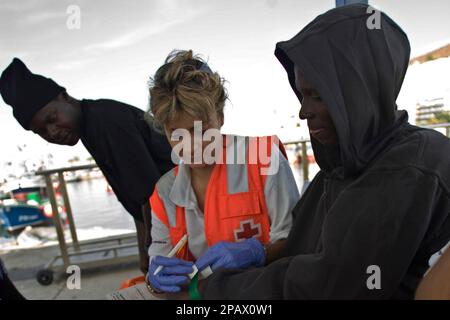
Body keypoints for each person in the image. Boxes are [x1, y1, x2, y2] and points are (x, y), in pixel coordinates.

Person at [184, 4, 450, 299]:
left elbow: (329, 285)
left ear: (360, 93)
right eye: (301, 94)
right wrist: (260, 252)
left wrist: (209, 291)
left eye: (318, 96)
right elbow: (303, 250)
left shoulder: (408, 169)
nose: (303, 111)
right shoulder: (338, 169)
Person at [0, 58, 175, 275]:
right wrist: (143, 253)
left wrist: (151, 252)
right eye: (42, 131)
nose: (52, 132)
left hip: (190, 213)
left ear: (64, 96)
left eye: (52, 119)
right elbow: (138, 200)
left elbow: (151, 196)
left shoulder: (105, 121)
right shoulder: (90, 125)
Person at [144, 50, 299, 293]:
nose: (191, 145)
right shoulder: (164, 192)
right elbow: (160, 255)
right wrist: (156, 276)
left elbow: (298, 242)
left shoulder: (265, 159)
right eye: (176, 133)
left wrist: (259, 252)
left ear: (221, 117)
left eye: (202, 130)